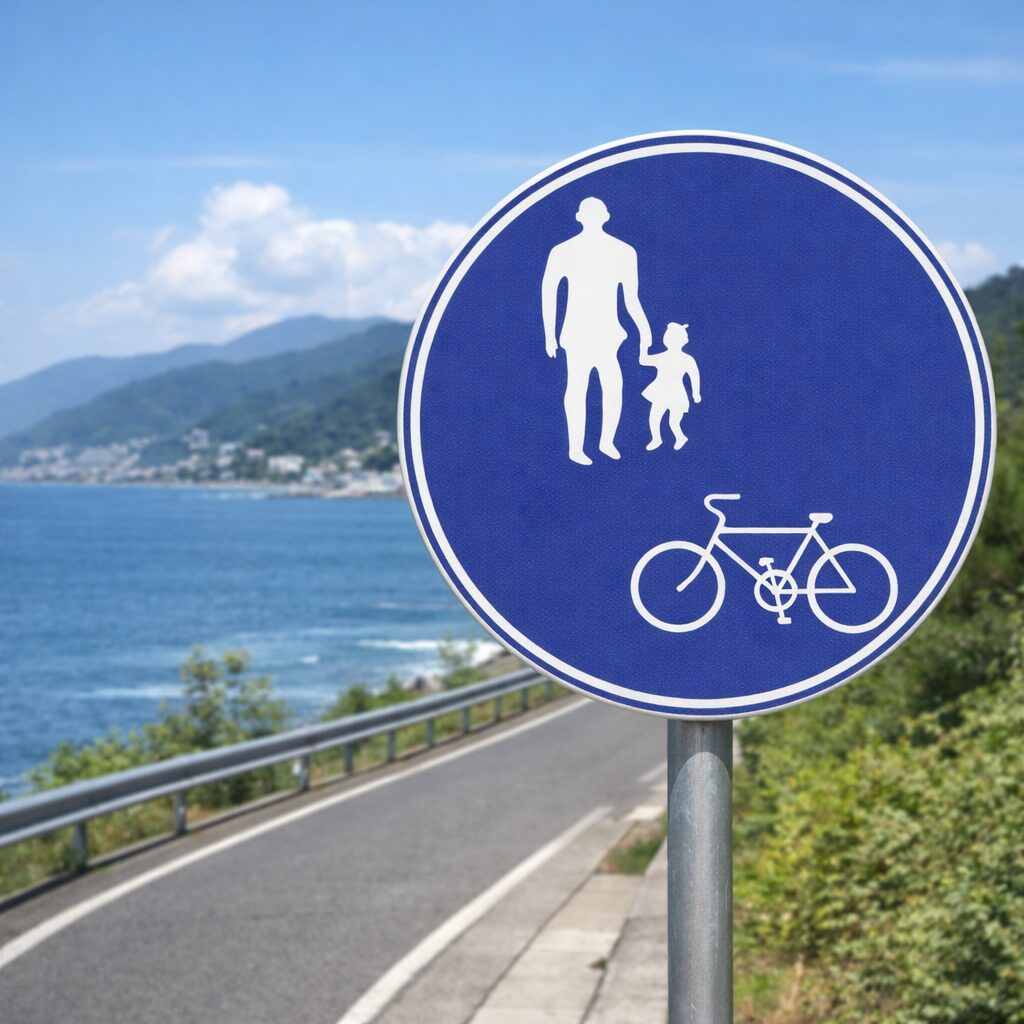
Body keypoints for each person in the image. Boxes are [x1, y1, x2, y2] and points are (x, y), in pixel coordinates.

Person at [542, 197, 652, 465]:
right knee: (577, 388)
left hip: (609, 333)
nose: (592, 216)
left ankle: (606, 442)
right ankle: (576, 449)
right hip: (577, 333)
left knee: (613, 386)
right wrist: (550, 334)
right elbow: (548, 293)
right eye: (587, 212)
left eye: (596, 212)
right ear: (579, 217)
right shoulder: (562, 251)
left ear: (606, 216)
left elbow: (631, 299)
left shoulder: (624, 252)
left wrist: (645, 331)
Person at [640, 322, 701, 450]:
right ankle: (656, 438)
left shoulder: (687, 359)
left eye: (672, 337)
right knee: (654, 418)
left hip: (677, 394)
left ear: (683, 341)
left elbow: (694, 376)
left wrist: (696, 393)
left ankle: (680, 437)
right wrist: (643, 346)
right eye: (668, 337)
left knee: (673, 421)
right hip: (661, 392)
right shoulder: (663, 356)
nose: (668, 339)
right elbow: (644, 360)